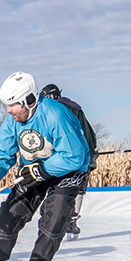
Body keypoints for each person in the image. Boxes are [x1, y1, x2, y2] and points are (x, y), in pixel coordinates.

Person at [0, 72, 89, 261]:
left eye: (12, 105)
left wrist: (44, 169)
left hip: (68, 170)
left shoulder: (56, 115)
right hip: (33, 168)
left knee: (56, 215)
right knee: (12, 211)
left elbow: (74, 154)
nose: (8, 110)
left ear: (29, 101)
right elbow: (0, 152)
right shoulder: (13, 120)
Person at [38, 83, 97, 240]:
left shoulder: (47, 111)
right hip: (79, 158)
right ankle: (71, 221)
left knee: (56, 186)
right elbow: (88, 134)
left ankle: (50, 217)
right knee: (78, 189)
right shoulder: (75, 109)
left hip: (57, 160)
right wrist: (91, 155)